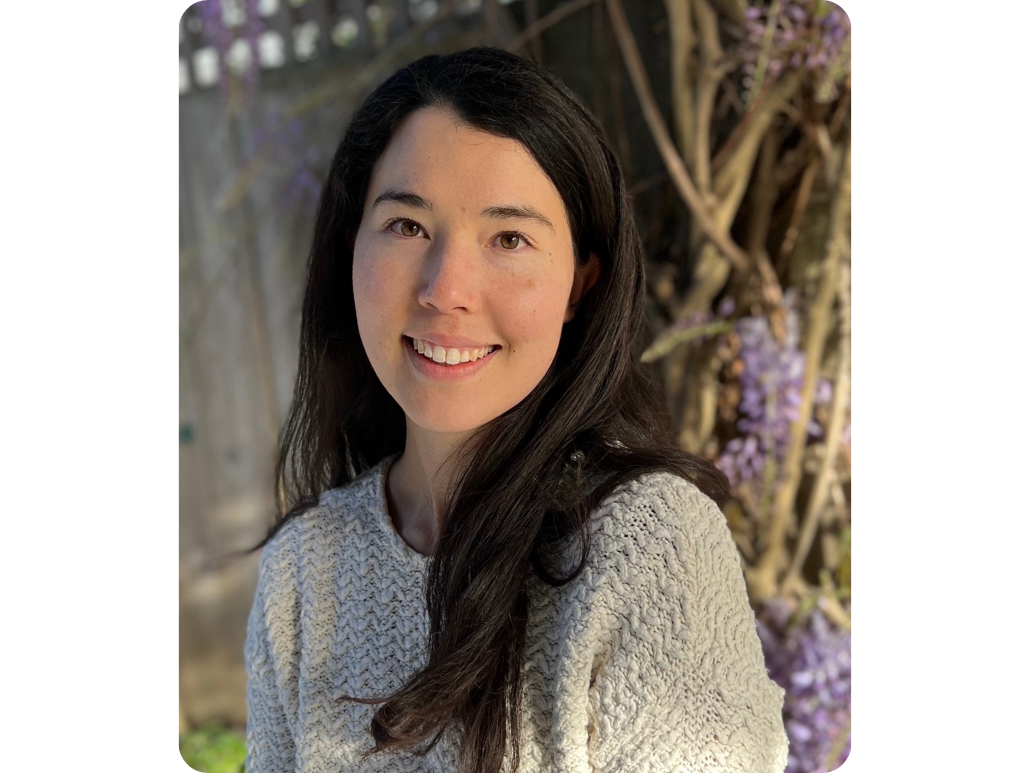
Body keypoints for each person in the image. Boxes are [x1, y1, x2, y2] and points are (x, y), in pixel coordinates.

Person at [244, 47, 788, 773]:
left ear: (579, 287)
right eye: (407, 226)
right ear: (350, 250)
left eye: (509, 238)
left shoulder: (652, 545)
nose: (446, 289)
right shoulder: (301, 573)